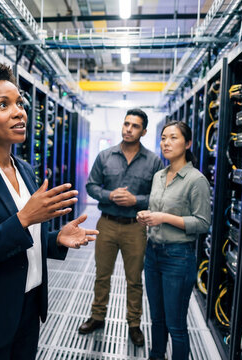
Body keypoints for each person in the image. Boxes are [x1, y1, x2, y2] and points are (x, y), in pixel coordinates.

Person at [0, 62, 98, 360]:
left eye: (19, 103)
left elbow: (21, 242)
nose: (18, 111)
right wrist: (24, 218)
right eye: (3, 105)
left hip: (26, 311)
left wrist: (55, 239)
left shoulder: (24, 169)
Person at [78, 109, 163, 346]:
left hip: (135, 228)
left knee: (134, 278)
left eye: (135, 126)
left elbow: (157, 196)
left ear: (143, 131)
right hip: (106, 224)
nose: (128, 129)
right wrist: (109, 195)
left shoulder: (154, 161)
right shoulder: (105, 156)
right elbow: (91, 186)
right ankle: (97, 316)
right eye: (126, 124)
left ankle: (134, 324)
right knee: (101, 275)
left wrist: (136, 200)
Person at [137, 121, 211, 360]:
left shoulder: (195, 180)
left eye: (173, 138)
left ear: (187, 143)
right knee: (156, 319)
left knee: (175, 324)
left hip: (178, 258)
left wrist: (164, 217)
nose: (166, 143)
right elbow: (155, 209)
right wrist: (146, 216)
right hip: (153, 254)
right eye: (163, 138)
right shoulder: (159, 175)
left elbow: (202, 223)